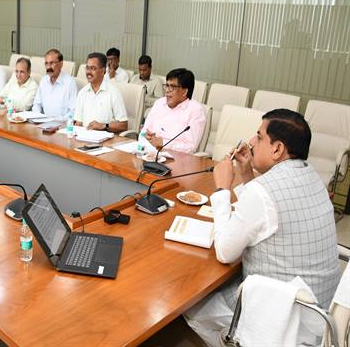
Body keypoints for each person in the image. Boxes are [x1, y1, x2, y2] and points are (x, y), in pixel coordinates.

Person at [185, 109, 341, 346]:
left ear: (277, 149)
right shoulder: (314, 178)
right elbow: (268, 212)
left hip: (286, 319)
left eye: (259, 137)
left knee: (192, 304)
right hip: (322, 314)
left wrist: (222, 189)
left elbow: (225, 251)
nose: (251, 141)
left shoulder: (263, 192)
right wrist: (246, 173)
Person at [140, 68, 206, 154]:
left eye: (172, 87)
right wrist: (146, 136)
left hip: (176, 159)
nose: (167, 90)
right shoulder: (159, 103)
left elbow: (190, 147)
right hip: (149, 153)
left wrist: (163, 143)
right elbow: (144, 132)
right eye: (167, 85)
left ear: (184, 92)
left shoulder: (195, 110)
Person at [74, 53, 128, 133]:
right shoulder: (82, 93)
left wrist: (103, 126)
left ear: (103, 71)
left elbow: (124, 125)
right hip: (84, 137)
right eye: (87, 68)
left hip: (105, 138)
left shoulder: (114, 92)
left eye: (93, 68)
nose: (88, 72)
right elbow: (78, 123)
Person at [32, 49, 77, 119]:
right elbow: (37, 104)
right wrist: (38, 117)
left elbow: (73, 111)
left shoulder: (70, 83)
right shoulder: (44, 80)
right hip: (43, 122)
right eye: (46, 63)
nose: (48, 67)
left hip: (62, 123)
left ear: (61, 64)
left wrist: (58, 121)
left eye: (52, 63)